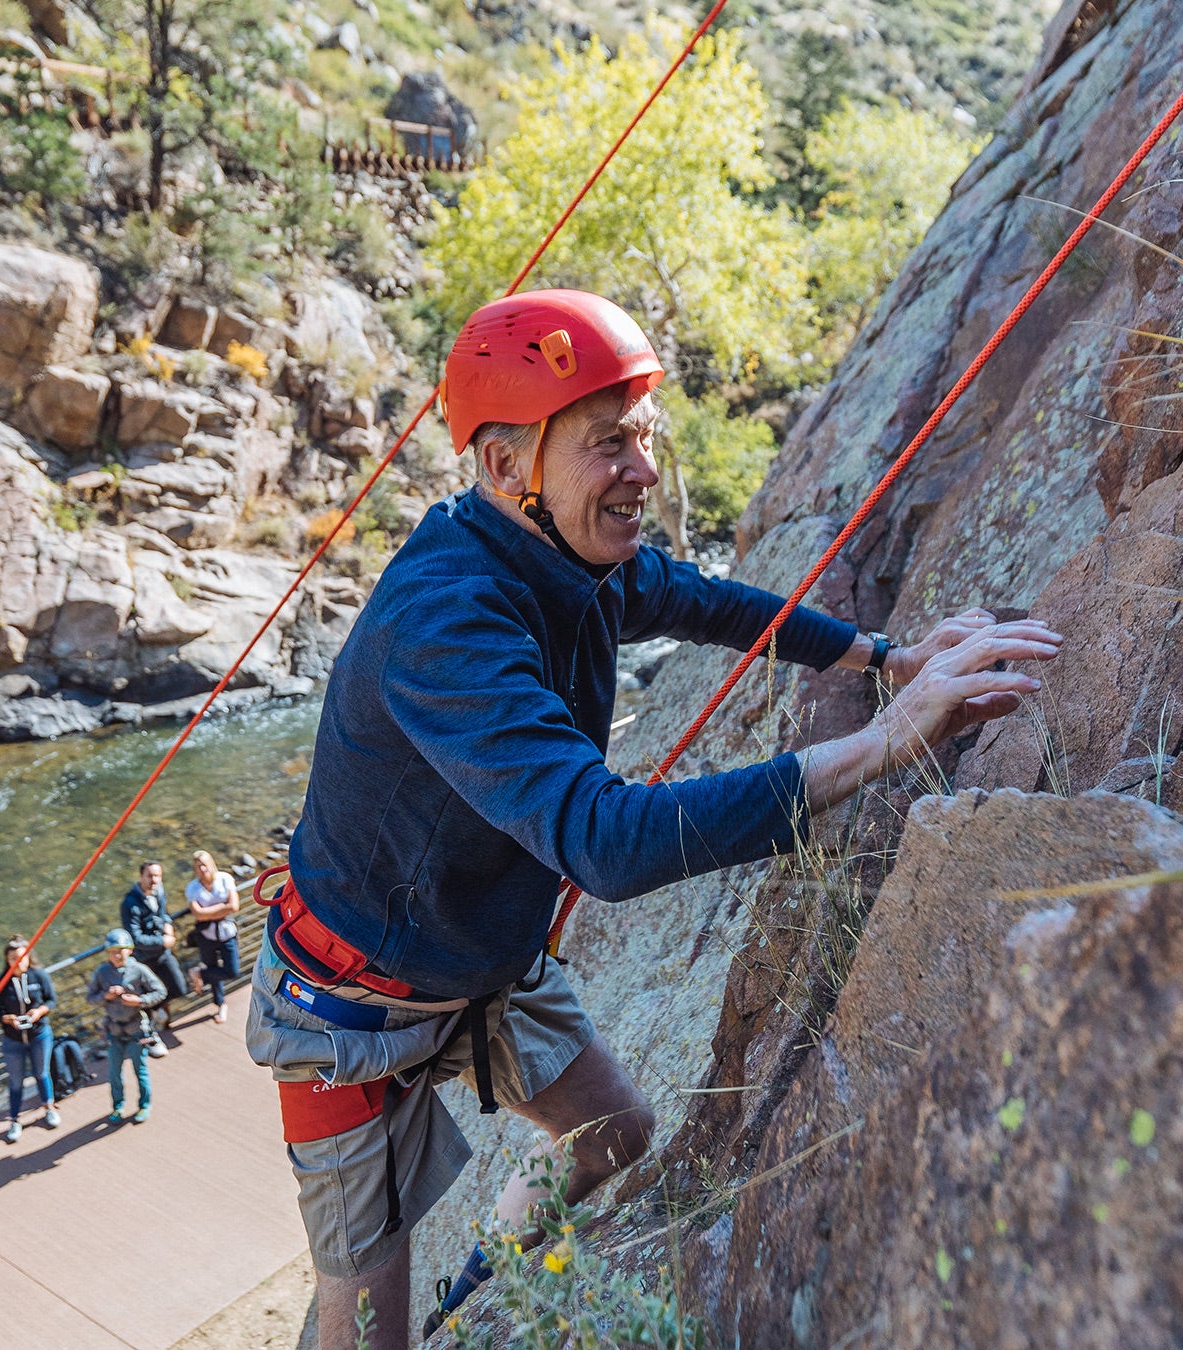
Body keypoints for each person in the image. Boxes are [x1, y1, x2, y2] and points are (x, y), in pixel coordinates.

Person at [242, 288, 1065, 1349]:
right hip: (345, 1010)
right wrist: (886, 738)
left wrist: (883, 657)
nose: (639, 468)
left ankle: (486, 1287)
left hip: (473, 961)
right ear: (507, 471)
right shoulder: (445, 619)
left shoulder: (570, 559)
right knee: (364, 1335)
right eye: (606, 444)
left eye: (641, 436)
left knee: (614, 1134)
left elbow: (705, 600)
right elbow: (608, 842)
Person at [86, 928, 164, 1124]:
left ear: (130, 950)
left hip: (136, 1029)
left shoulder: (138, 970)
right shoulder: (102, 973)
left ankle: (144, 1105)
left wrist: (139, 1001)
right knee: (114, 1074)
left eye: (121, 950)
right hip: (113, 1031)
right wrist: (106, 996)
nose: (117, 955)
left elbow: (160, 991)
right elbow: (90, 998)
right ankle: (117, 1106)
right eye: (113, 951)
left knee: (141, 1071)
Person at [0, 934, 60, 1141]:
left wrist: (39, 1011)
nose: (17, 963)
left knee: (42, 1073)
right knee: (16, 1081)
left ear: (28, 957)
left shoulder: (39, 976)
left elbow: (52, 1000)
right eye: (13, 959)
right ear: (7, 960)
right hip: (13, 1041)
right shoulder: (0, 984)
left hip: (39, 1035)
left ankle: (49, 1107)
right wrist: (7, 1019)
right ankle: (14, 1120)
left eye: (21, 957)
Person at [118, 860, 188, 1046]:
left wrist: (168, 926)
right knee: (148, 995)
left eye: (157, 876)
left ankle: (158, 1009)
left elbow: (163, 914)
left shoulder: (159, 891)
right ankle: (150, 1033)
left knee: (180, 987)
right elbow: (135, 937)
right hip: (145, 960)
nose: (154, 880)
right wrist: (162, 941)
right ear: (141, 876)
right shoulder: (129, 903)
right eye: (150, 876)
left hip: (162, 954)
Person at [185, 850, 240, 1023]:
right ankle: (220, 1003)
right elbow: (198, 914)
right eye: (198, 866)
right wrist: (221, 909)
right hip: (206, 936)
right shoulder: (192, 888)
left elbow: (234, 906)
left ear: (211, 864)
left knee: (232, 971)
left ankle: (198, 973)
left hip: (227, 934)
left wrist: (208, 912)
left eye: (204, 864)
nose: (202, 869)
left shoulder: (225, 879)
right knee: (213, 968)